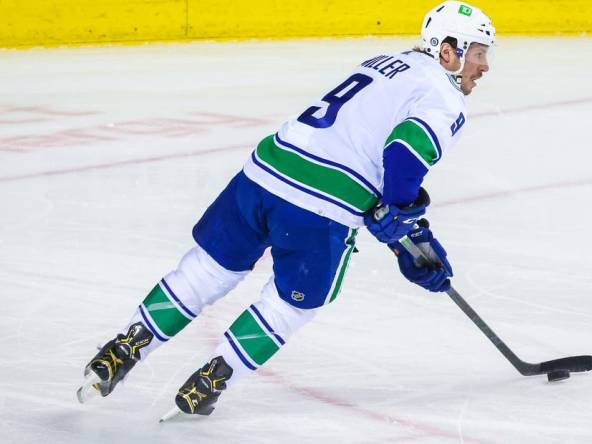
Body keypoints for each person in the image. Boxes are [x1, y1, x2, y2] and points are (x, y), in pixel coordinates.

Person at [78, 1, 495, 417]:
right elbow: (402, 158)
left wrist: (405, 230)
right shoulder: (444, 96)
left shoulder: (387, 62)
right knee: (293, 303)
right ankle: (213, 378)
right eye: (478, 53)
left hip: (263, 172)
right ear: (448, 51)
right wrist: (404, 221)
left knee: (207, 269)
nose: (485, 66)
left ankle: (125, 346)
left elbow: (363, 145)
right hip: (319, 207)